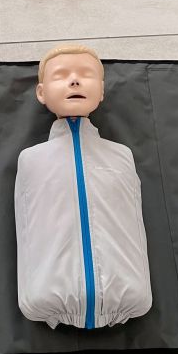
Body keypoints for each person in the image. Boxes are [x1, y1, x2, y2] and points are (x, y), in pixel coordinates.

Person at [14, 44, 153, 329]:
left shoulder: (121, 155)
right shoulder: (31, 159)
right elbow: (28, 227)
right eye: (61, 75)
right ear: (41, 93)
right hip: (45, 292)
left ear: (101, 92)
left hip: (130, 291)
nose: (74, 81)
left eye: (86, 74)